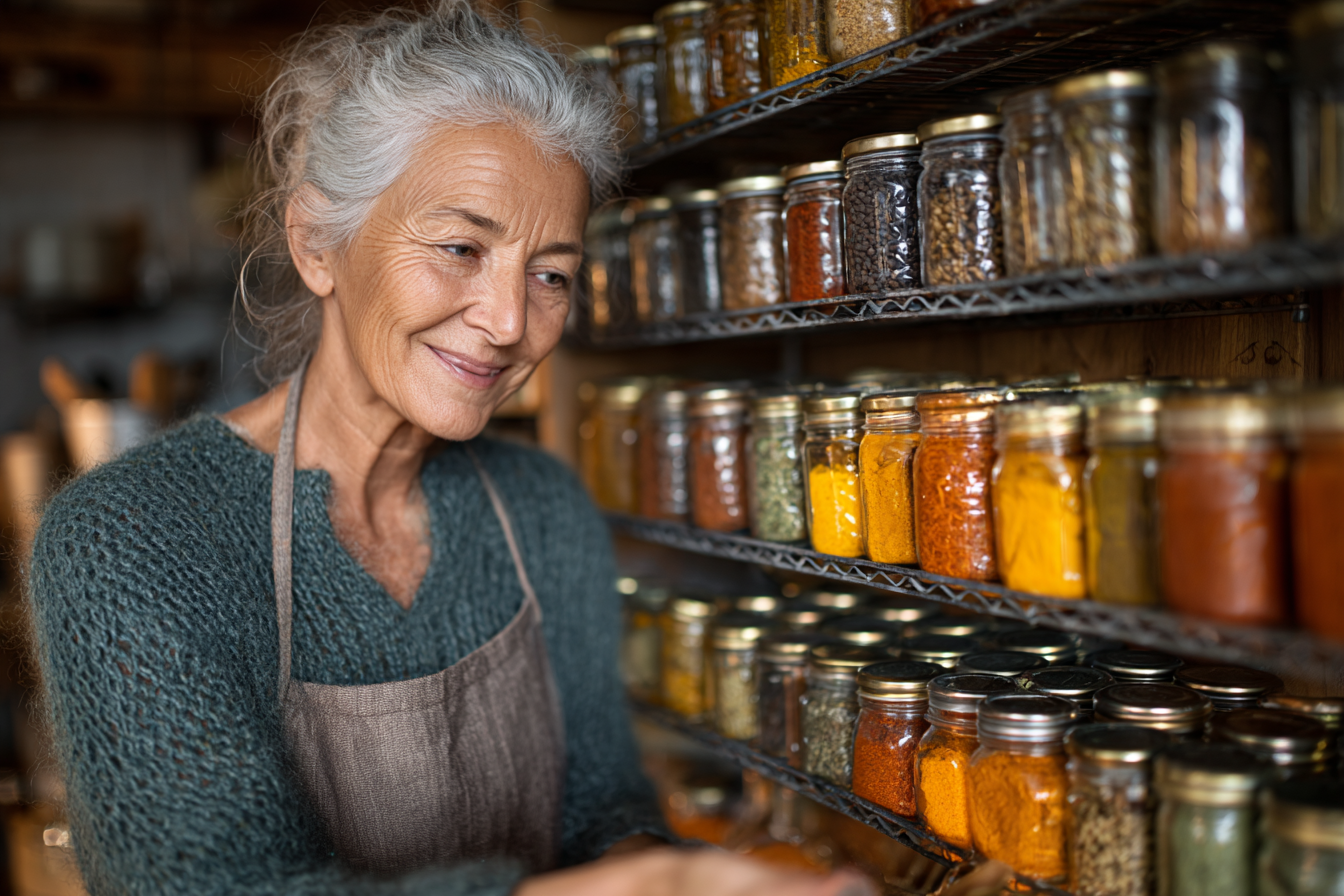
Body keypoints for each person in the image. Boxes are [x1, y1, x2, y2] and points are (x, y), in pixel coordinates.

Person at [27, 4, 874, 895]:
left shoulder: (542, 509)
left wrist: (674, 876)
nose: (509, 323)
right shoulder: (129, 542)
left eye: (550, 274)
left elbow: (604, 812)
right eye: (460, 246)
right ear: (318, 241)